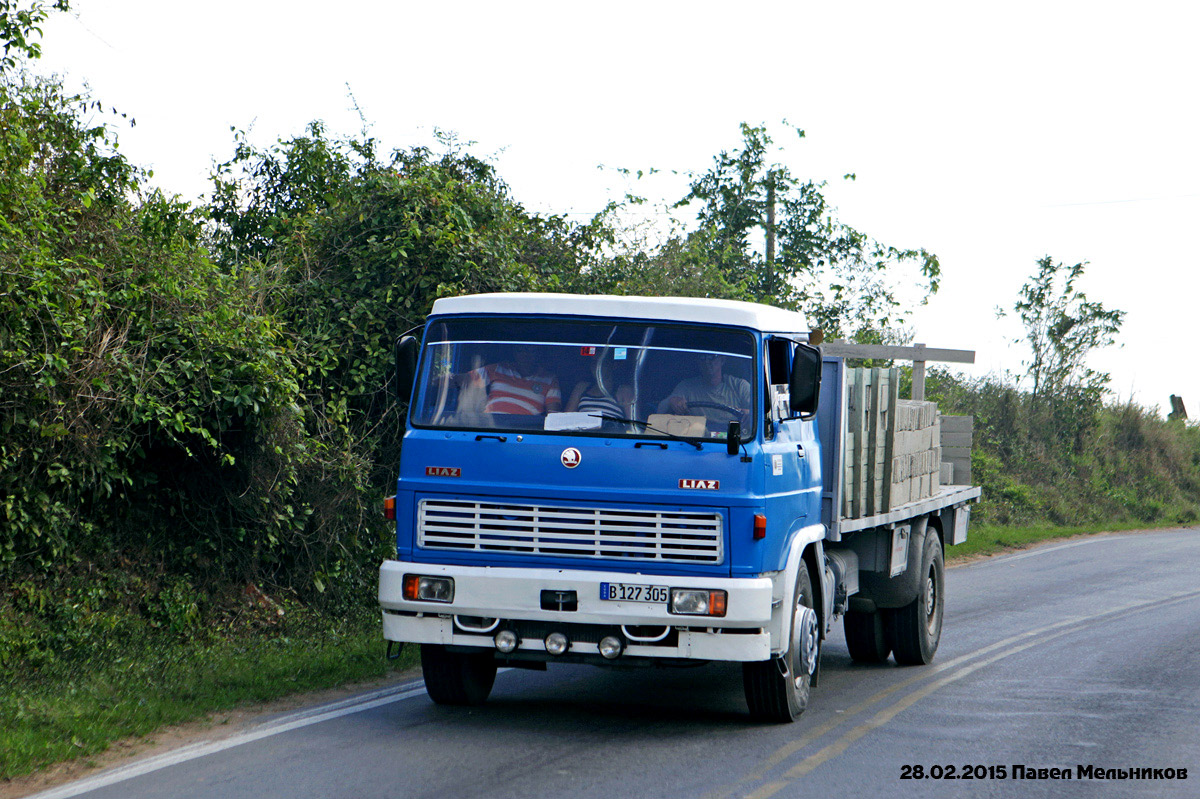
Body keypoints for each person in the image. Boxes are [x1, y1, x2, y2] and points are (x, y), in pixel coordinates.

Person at [450, 344, 562, 415]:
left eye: (531, 350)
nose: (525, 354)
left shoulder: (550, 379)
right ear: (514, 353)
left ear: (539, 354)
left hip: (526, 433)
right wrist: (443, 380)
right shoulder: (499, 368)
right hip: (490, 429)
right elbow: (465, 380)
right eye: (521, 350)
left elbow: (553, 416)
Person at [657, 353, 750, 427]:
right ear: (698, 362)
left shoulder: (740, 386)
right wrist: (672, 401)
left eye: (712, 357)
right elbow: (660, 410)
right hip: (696, 441)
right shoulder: (686, 386)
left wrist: (749, 414)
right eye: (702, 357)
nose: (707, 361)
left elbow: (760, 415)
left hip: (734, 442)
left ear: (722, 360)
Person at [565, 355, 634, 419]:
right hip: (583, 431)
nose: (597, 367)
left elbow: (633, 425)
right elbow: (566, 418)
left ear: (612, 365)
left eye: (601, 362)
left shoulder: (624, 391)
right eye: (594, 363)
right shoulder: (581, 387)